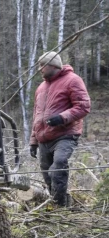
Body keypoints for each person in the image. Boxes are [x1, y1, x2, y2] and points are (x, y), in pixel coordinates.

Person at [29, 51, 91, 207]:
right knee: (47, 173)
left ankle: (60, 207)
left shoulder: (73, 80)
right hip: (44, 138)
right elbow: (36, 115)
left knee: (58, 165)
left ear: (53, 65)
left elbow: (83, 106)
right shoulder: (41, 87)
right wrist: (33, 141)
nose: (40, 68)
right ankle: (58, 201)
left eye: (43, 65)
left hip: (65, 135)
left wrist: (62, 118)